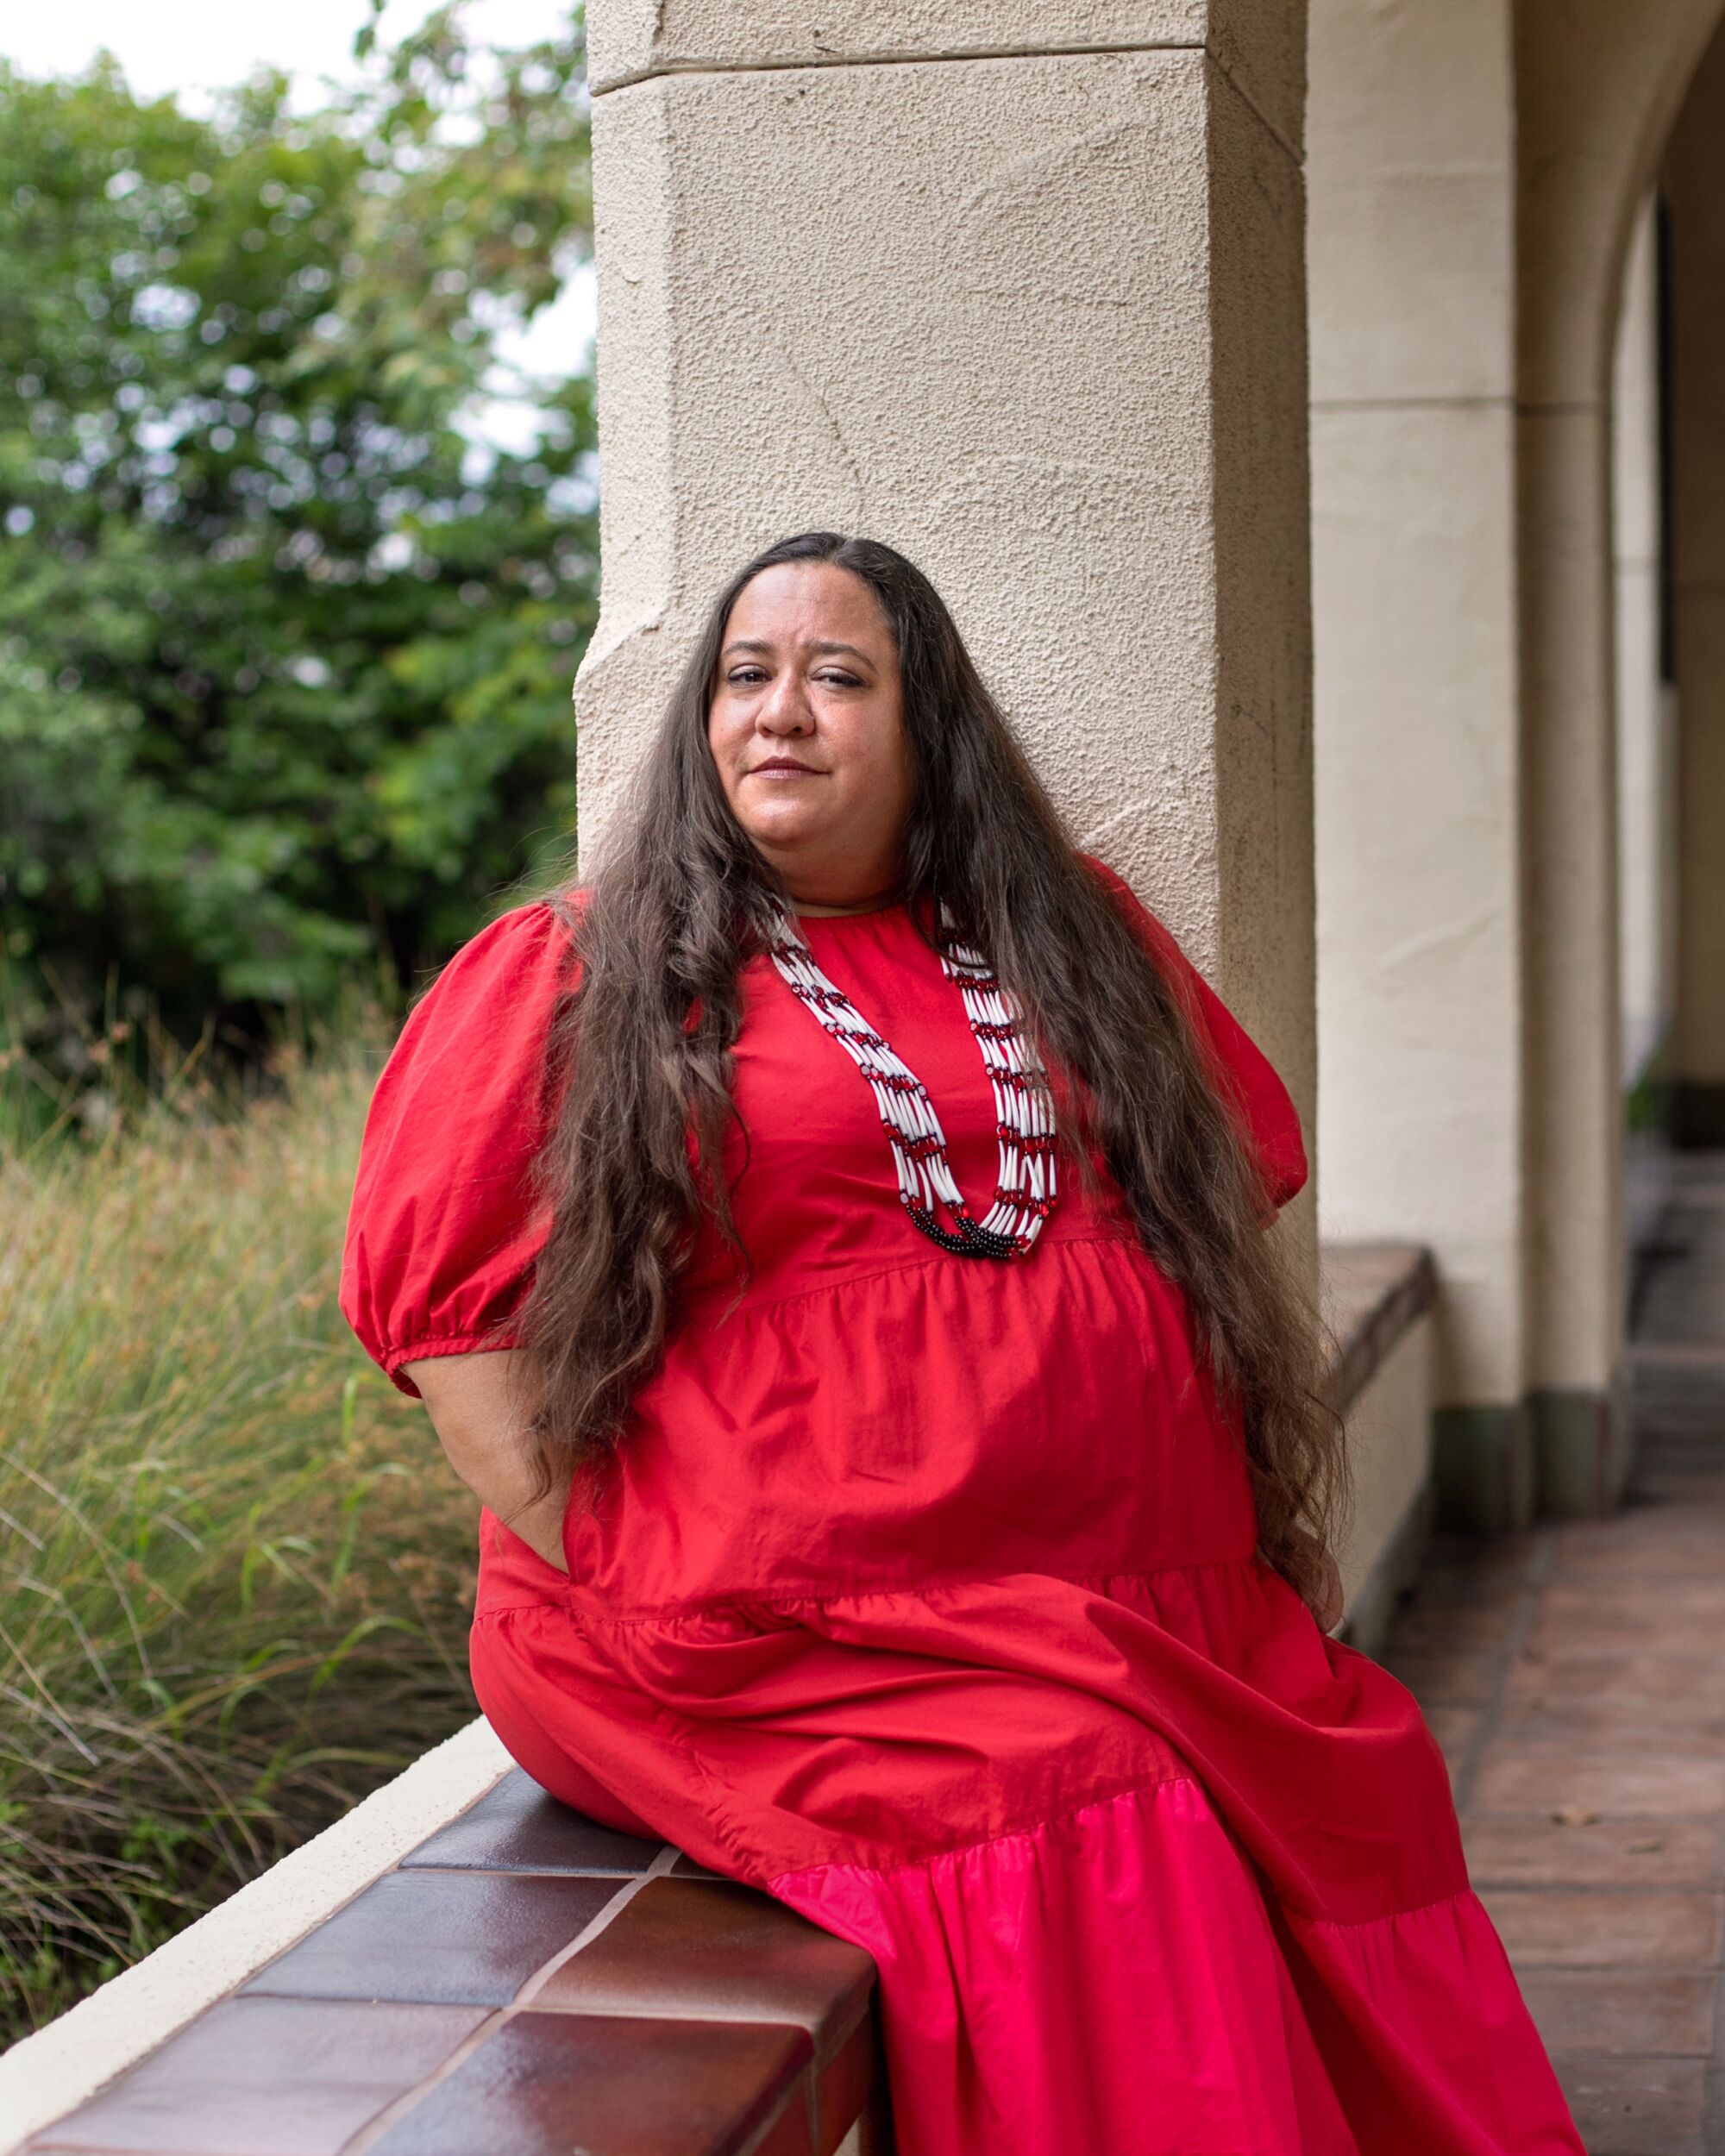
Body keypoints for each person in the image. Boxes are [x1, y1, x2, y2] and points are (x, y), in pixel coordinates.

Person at [341, 531, 1582, 2155]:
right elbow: (456, 1319)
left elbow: (1212, 1223)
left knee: (1351, 1781)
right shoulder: (588, 971)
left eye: (838, 677)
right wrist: (652, 1556)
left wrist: (1248, 1528)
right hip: (760, 1624)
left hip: (1096, 1596)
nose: (779, 713)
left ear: (932, 731)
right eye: (744, 676)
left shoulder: (1071, 943)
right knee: (1092, 1808)